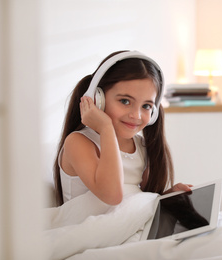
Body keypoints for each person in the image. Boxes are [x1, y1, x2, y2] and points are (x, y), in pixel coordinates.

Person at [53, 50, 192, 206]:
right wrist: (106, 129)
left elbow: (138, 201)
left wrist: (168, 197)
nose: (136, 115)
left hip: (128, 226)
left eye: (146, 106)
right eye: (125, 101)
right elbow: (112, 196)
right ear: (98, 99)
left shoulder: (140, 146)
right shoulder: (78, 142)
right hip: (91, 227)